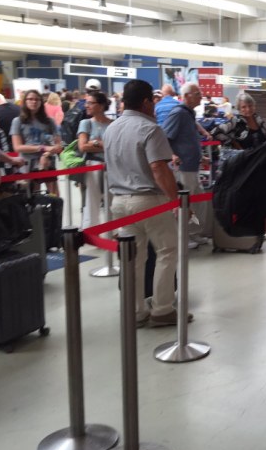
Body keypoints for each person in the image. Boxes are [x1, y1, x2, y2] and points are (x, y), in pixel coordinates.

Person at [105, 79, 187, 328]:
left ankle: (136, 310)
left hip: (119, 202)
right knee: (167, 251)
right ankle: (162, 309)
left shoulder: (111, 129)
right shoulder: (150, 129)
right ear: (145, 102)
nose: (155, 105)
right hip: (149, 201)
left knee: (133, 258)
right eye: (153, 100)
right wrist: (176, 201)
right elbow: (159, 169)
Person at [162, 82, 210, 249]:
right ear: (187, 96)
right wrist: (172, 155)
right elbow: (165, 137)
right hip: (182, 169)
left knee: (198, 202)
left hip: (192, 166)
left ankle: (194, 234)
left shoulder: (189, 114)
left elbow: (187, 139)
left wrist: (200, 156)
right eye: (197, 93)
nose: (201, 96)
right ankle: (184, 237)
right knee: (186, 203)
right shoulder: (178, 114)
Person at [10, 89, 63, 195]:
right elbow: (17, 147)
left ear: (41, 102)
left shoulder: (49, 121)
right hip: (27, 164)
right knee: (31, 197)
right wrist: (42, 148)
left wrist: (46, 154)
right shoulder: (18, 121)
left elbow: (58, 144)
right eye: (30, 99)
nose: (33, 102)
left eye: (36, 99)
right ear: (25, 101)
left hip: (47, 162)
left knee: (54, 196)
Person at [77, 91, 113, 229]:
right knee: (91, 199)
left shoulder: (113, 124)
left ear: (101, 105)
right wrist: (102, 144)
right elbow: (83, 146)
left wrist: (96, 143)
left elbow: (115, 146)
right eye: (86, 103)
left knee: (112, 199)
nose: (87, 106)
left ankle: (114, 229)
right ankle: (91, 229)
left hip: (111, 166)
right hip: (92, 165)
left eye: (90, 103)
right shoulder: (85, 123)